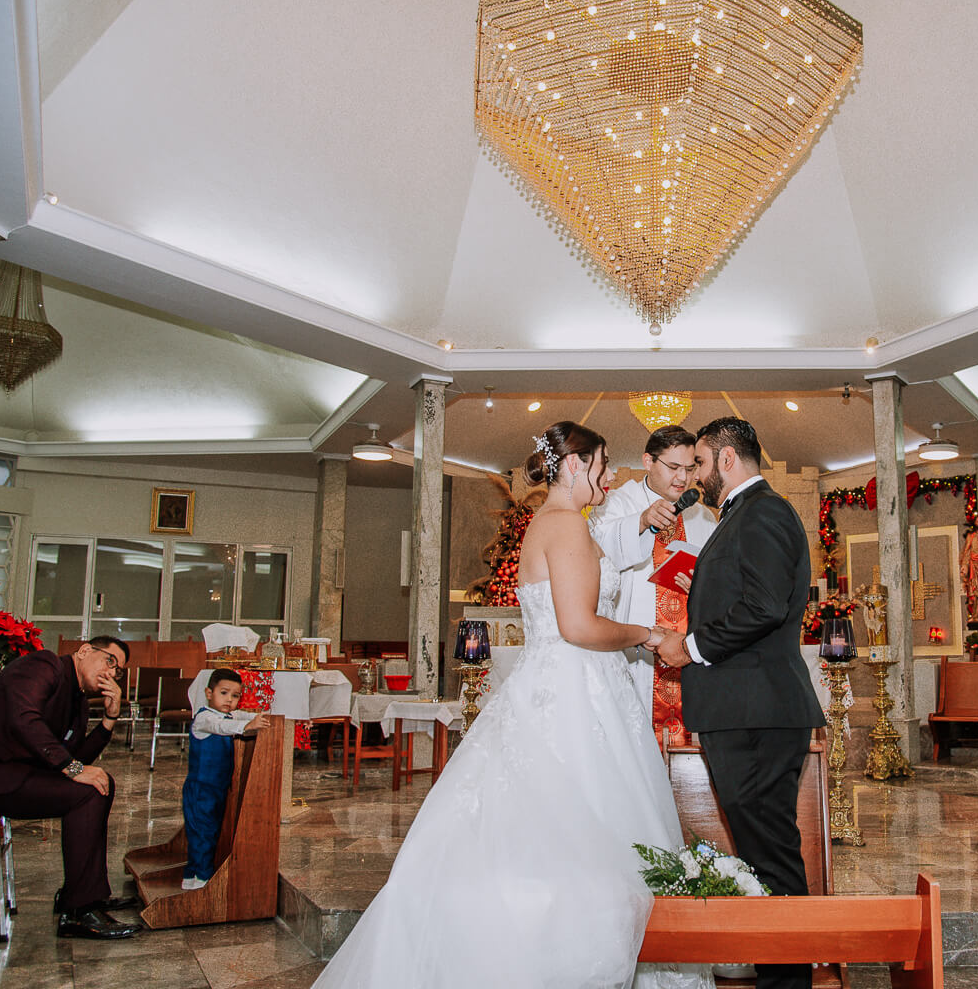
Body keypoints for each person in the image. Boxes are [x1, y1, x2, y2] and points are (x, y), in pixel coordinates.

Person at [311, 422, 712, 989]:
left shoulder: (549, 525)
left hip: (560, 685)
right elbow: (578, 626)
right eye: (600, 465)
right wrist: (646, 634)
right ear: (574, 466)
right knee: (587, 828)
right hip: (577, 690)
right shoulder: (567, 526)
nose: (608, 476)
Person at [654, 417, 827, 989]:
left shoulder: (766, 513)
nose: (695, 475)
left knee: (772, 859)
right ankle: (784, 976)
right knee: (764, 855)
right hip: (747, 711)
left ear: (727, 460)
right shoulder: (743, 519)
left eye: (700, 462)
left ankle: (788, 982)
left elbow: (766, 607)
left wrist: (691, 645)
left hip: (758, 714)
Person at [0, 637, 141, 939]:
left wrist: (109, 718)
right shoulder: (44, 665)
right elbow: (24, 719)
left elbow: (77, 759)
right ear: (84, 651)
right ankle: (78, 911)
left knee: (98, 784)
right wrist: (72, 768)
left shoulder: (78, 700)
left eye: (118, 671)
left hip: (12, 774)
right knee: (87, 791)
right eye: (110, 661)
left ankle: (80, 896)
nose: (111, 673)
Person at [589, 424, 716, 743]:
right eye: (673, 467)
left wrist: (700, 586)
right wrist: (642, 521)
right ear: (648, 461)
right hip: (637, 650)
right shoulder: (616, 503)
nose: (683, 479)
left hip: (686, 648)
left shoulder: (703, 517)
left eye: (690, 468)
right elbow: (598, 555)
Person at [181, 668, 270, 890]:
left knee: (209, 831)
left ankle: (194, 877)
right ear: (209, 692)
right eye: (224, 693)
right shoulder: (204, 718)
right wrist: (247, 726)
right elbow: (221, 726)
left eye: (235, 696)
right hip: (201, 788)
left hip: (217, 788)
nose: (229, 700)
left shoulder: (229, 714)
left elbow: (239, 716)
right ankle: (200, 880)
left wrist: (262, 717)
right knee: (202, 832)